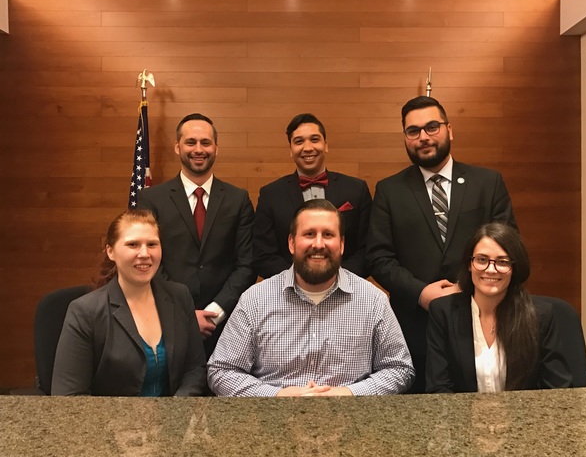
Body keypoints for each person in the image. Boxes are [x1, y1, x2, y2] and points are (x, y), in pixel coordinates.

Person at [366, 96, 517, 393]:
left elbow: (508, 247)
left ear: (450, 130)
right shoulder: (389, 190)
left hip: (483, 318)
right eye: (413, 131)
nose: (423, 137)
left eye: (432, 127)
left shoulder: (487, 183)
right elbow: (378, 257)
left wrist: (470, 287)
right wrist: (422, 293)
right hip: (414, 328)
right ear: (405, 138)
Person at [208, 199, 414, 397]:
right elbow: (222, 371)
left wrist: (348, 393)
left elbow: (399, 368)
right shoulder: (255, 300)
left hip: (352, 420)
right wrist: (276, 395)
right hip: (273, 421)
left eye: (328, 234)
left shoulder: (372, 300)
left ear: (341, 244)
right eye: (309, 234)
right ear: (291, 243)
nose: (318, 244)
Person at [51, 210, 206, 396]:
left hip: (173, 422)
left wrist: (175, 413)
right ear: (110, 251)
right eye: (133, 244)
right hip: (110, 423)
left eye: (152, 244)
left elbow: (195, 368)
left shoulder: (180, 297)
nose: (144, 253)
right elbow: (70, 396)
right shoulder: (85, 311)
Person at [138, 113, 256, 357]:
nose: (198, 149)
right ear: (177, 146)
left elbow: (246, 264)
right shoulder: (151, 199)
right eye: (191, 142)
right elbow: (147, 261)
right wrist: (185, 313)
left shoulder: (238, 199)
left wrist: (214, 312)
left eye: (206, 143)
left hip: (225, 327)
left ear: (216, 148)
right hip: (166, 323)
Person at [425, 222, 572, 393]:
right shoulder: (443, 313)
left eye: (502, 262)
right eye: (482, 259)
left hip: (524, 418)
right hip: (462, 419)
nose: (491, 269)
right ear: (469, 264)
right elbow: (438, 388)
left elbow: (557, 390)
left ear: (514, 268)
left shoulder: (541, 316)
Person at [252, 113, 372, 279]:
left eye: (314, 139)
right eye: (299, 141)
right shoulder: (270, 195)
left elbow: (367, 248)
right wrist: (300, 282)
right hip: (287, 292)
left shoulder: (356, 189)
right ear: (290, 150)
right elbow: (263, 255)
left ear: (326, 145)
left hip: (346, 290)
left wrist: (335, 279)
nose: (307, 148)